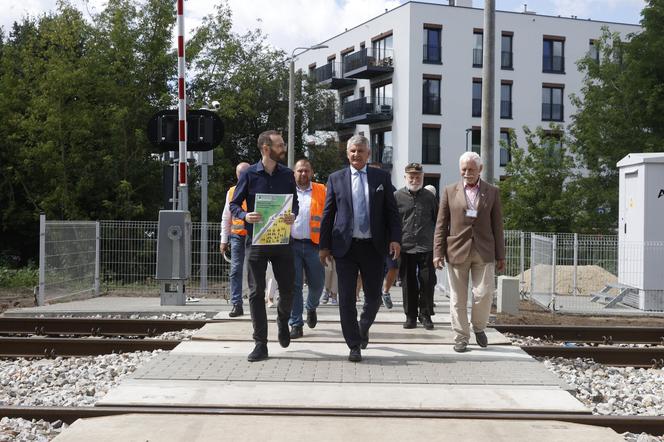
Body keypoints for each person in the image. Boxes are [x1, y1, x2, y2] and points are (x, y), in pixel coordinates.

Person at [319, 135, 401, 362]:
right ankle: (354, 344)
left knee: (374, 297)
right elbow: (328, 214)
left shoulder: (381, 177)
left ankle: (363, 325)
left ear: (368, 154)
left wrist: (395, 239)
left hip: (374, 247)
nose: (356, 155)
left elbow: (392, 213)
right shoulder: (336, 179)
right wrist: (324, 246)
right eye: (352, 151)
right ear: (348, 154)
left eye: (360, 151)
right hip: (345, 248)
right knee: (346, 298)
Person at [230, 130, 298, 362]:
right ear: (266, 148)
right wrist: (245, 215)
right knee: (256, 292)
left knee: (288, 289)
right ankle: (260, 344)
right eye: (280, 144)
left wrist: (293, 215)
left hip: (282, 241)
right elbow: (234, 204)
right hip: (257, 242)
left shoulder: (288, 175)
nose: (284, 148)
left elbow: (294, 204)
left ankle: (282, 319)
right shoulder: (249, 174)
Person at [433, 152, 505, 353]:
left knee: (483, 294)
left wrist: (501, 255)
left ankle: (479, 327)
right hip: (457, 250)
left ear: (480, 170)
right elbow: (441, 224)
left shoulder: (492, 192)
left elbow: (497, 225)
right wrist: (437, 252)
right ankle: (461, 337)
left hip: (484, 250)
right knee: (458, 298)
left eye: (471, 169)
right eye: (463, 169)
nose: (467, 173)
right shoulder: (449, 191)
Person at [394, 163, 438, 330]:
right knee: (408, 282)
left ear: (422, 177)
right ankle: (410, 316)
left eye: (418, 176)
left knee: (428, 282)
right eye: (411, 176)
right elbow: (393, 222)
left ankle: (425, 314)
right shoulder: (397, 196)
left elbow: (436, 219)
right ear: (405, 177)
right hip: (405, 247)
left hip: (426, 246)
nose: (414, 179)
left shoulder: (430, 197)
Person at [289, 159, 326, 339]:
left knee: (317, 284)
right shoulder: (286, 190)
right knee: (294, 286)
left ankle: (311, 307)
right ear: (294, 173)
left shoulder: (322, 190)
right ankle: (296, 323)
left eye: (306, 171)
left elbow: (329, 217)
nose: (303, 174)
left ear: (311, 172)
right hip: (292, 244)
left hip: (315, 245)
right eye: (300, 171)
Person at [220, 162, 251, 317]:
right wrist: (224, 239)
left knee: (255, 270)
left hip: (254, 235)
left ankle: (254, 303)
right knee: (235, 269)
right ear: (238, 175)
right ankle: (236, 304)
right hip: (237, 236)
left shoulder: (257, 188)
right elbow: (226, 217)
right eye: (241, 174)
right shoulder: (231, 192)